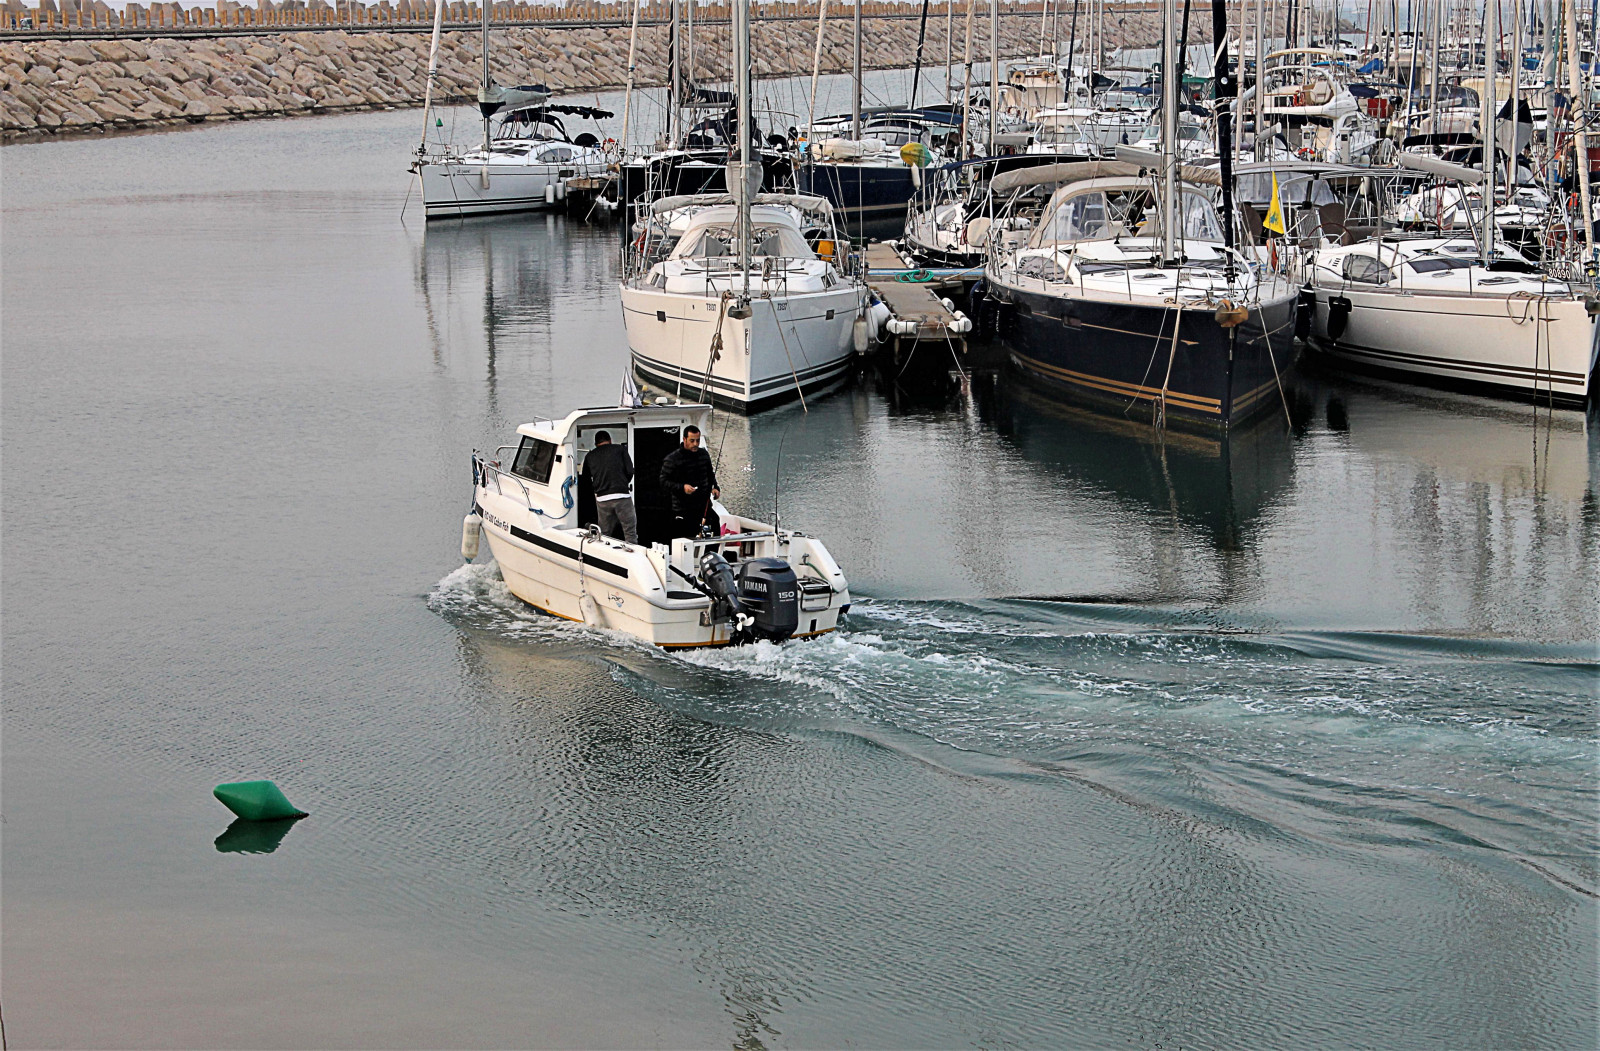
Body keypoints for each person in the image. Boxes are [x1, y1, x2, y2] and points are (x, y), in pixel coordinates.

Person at [659, 425, 720, 539]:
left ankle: (714, 554)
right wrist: (682, 487)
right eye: (692, 441)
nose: (695, 444)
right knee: (689, 534)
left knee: (715, 522)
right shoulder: (672, 459)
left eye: (697, 440)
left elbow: (710, 474)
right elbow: (663, 481)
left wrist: (715, 487)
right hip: (683, 508)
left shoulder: (703, 454)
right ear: (685, 439)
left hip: (703, 505)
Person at [580, 430, 638, 545]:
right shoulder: (620, 450)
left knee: (604, 534)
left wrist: (598, 488)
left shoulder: (590, 455)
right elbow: (630, 471)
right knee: (630, 533)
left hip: (602, 499)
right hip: (622, 496)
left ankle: (605, 557)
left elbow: (585, 479)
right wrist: (622, 484)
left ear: (596, 444)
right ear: (610, 440)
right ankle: (632, 555)